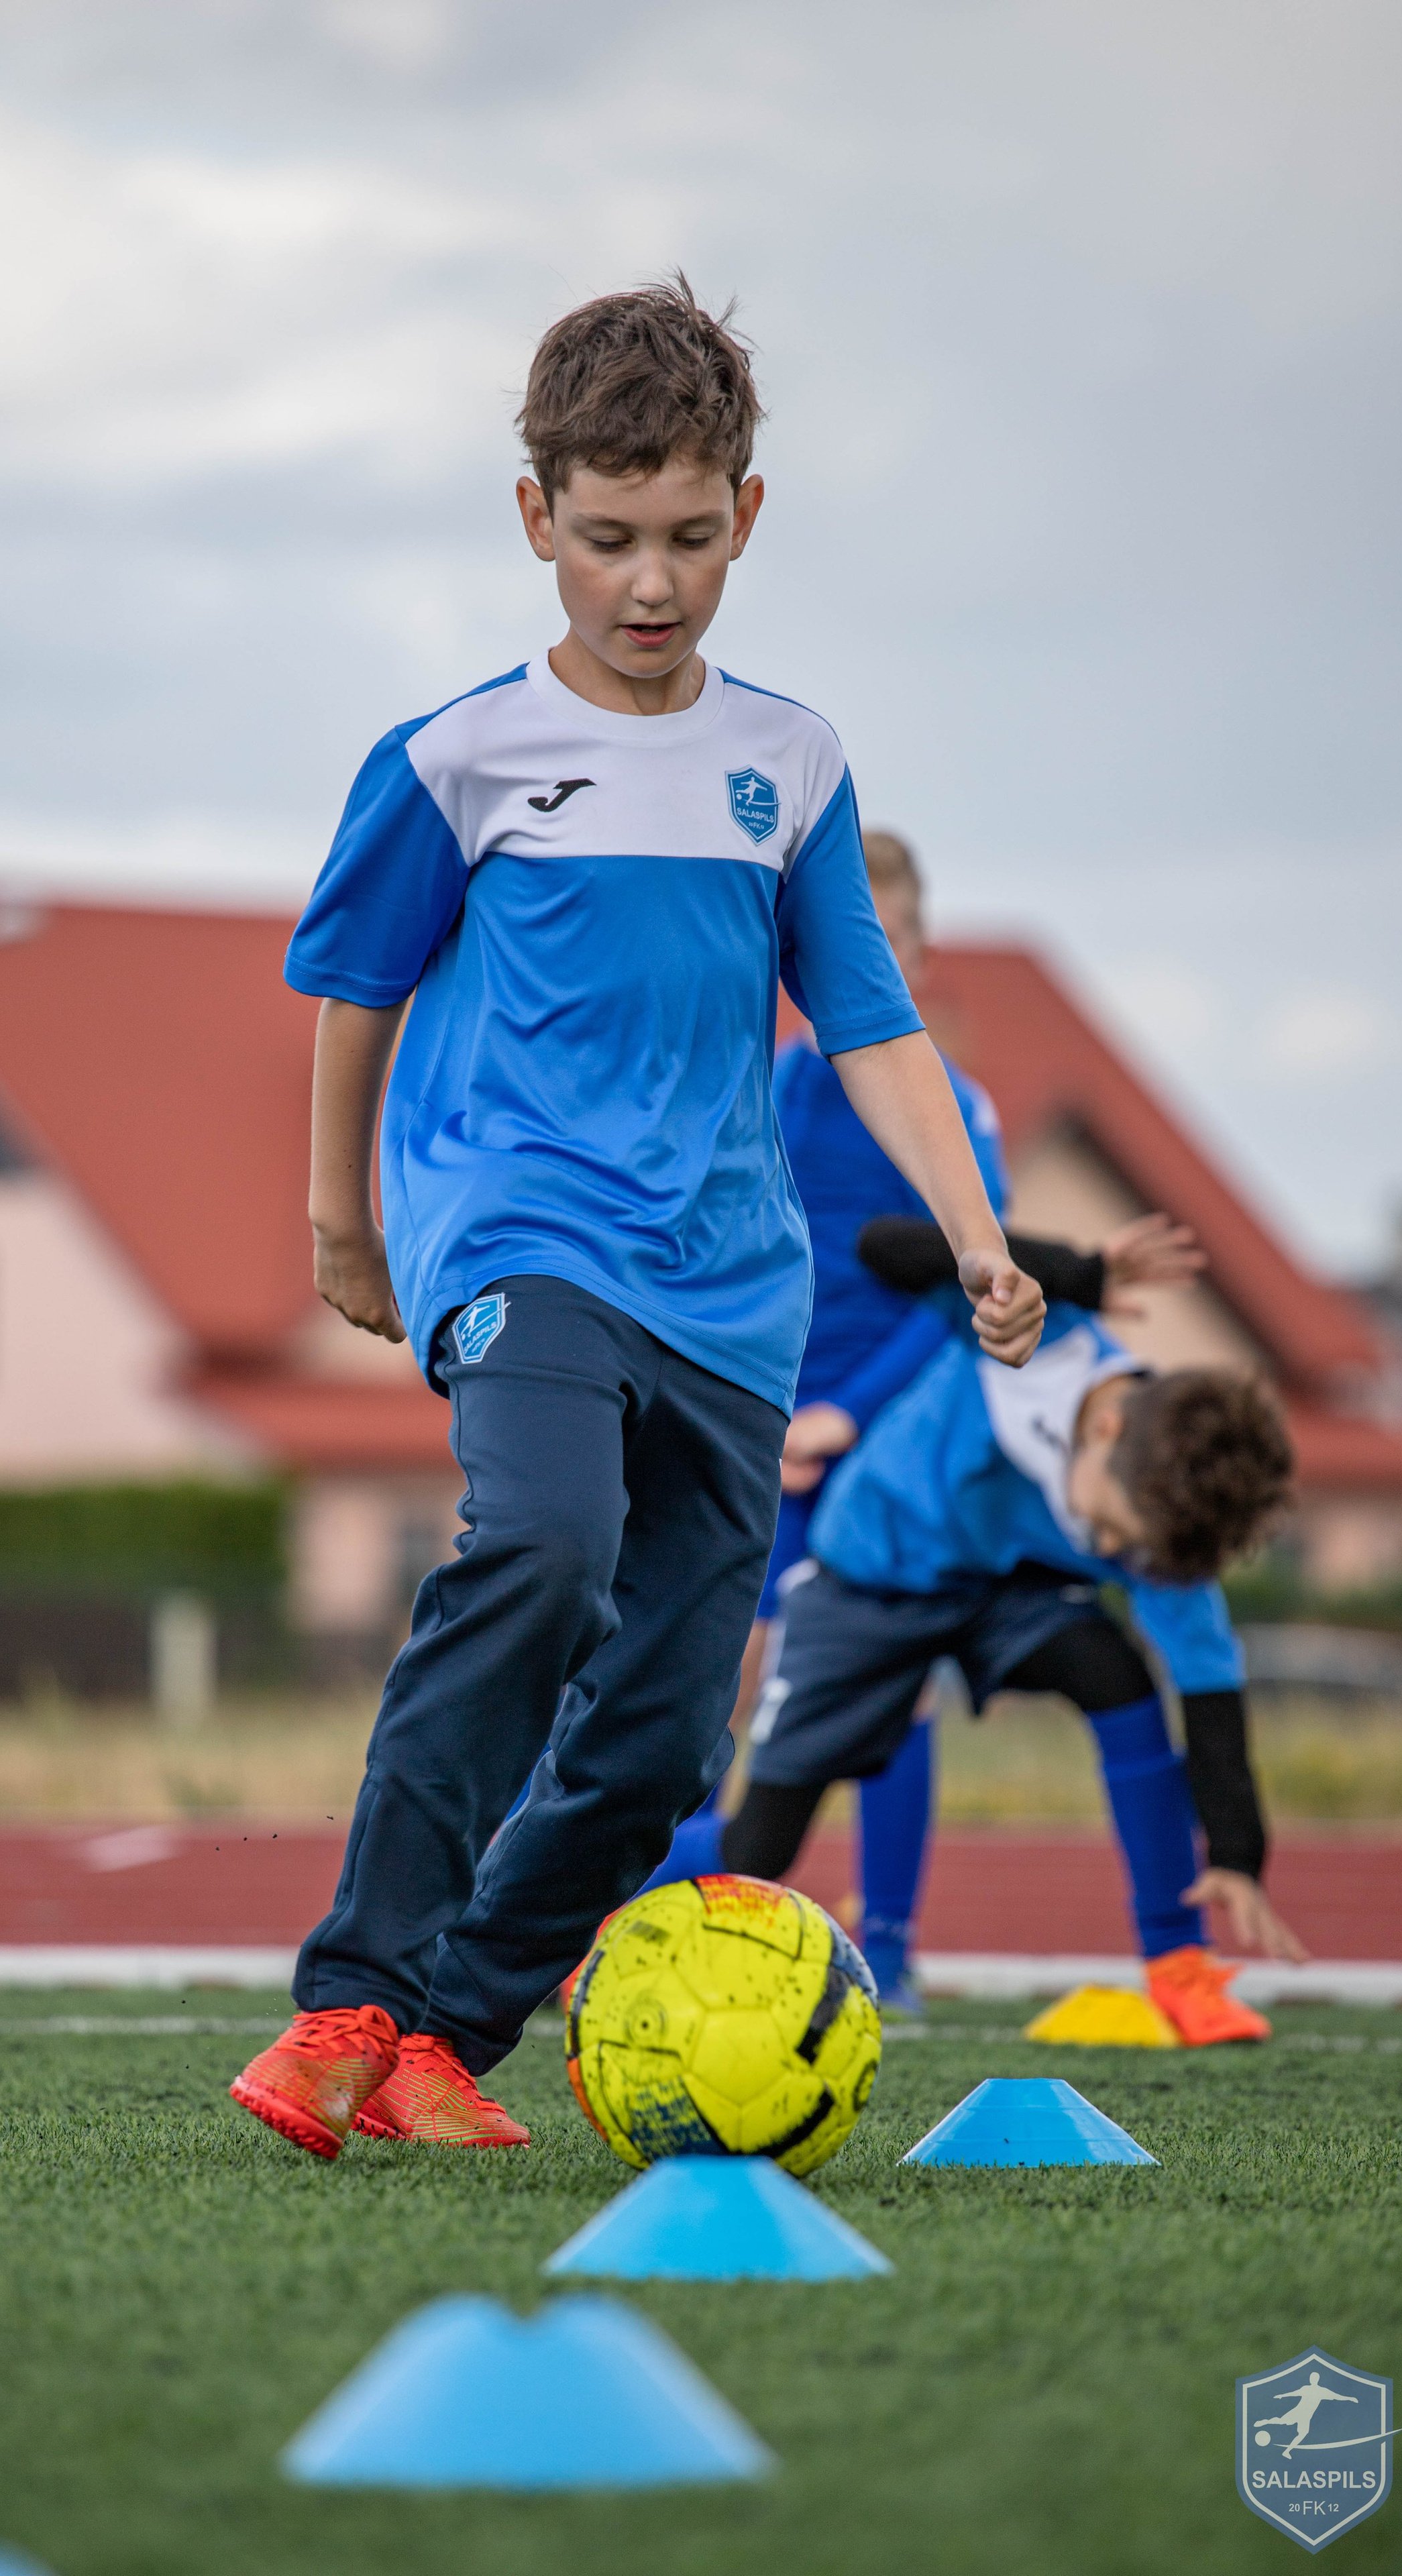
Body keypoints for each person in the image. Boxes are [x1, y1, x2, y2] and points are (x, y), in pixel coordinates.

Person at [227, 276, 1044, 2158]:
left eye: (689, 537)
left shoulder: (798, 765)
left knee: (674, 1734)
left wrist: (980, 1232)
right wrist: (339, 1222)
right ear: (539, 521)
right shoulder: (457, 759)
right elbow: (356, 987)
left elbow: (873, 1026)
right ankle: (353, 1990)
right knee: (544, 1543)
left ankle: (441, 2034)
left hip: (733, 1299)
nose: (649, 581)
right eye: (606, 540)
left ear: (748, 514)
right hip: (520, 1240)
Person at [653, 833, 1202, 2009]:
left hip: (883, 1445)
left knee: (887, 1682)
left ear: (916, 949)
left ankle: (888, 1945)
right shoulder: (764, 1085)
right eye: (830, 944)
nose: (856, 960)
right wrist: (749, 1401)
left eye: (883, 940)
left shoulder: (950, 1107)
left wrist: (850, 1412)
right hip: (755, 1416)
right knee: (711, 1676)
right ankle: (650, 1922)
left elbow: (974, 1283)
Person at [712, 1269, 1306, 2044]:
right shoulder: (1041, 1342)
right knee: (759, 1844)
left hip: (1005, 1589)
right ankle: (585, 1906)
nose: (1115, 1554)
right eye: (1115, 1532)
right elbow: (894, 1249)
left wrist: (1235, 1852)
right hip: (872, 1575)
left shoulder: (1166, 1511)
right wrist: (1075, 1268)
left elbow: (1210, 1691)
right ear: (1105, 1431)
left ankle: (1180, 1968)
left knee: (1115, 1675)